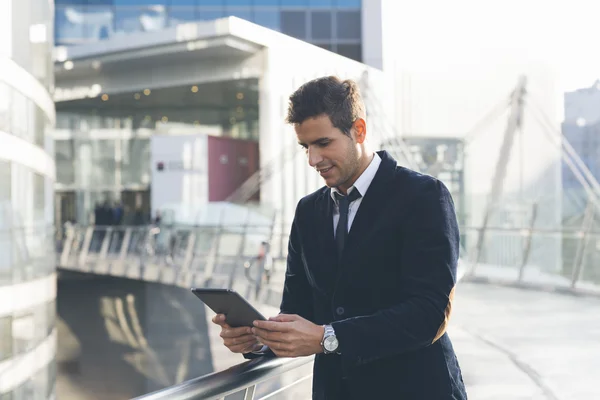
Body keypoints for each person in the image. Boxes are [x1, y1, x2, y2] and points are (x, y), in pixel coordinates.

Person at [212, 76, 467, 399]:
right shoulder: (308, 212)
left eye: (323, 143)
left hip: (416, 388)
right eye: (306, 147)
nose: (312, 160)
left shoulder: (424, 196)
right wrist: (260, 338)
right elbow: (299, 311)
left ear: (358, 130)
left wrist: (328, 337)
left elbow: (429, 314)